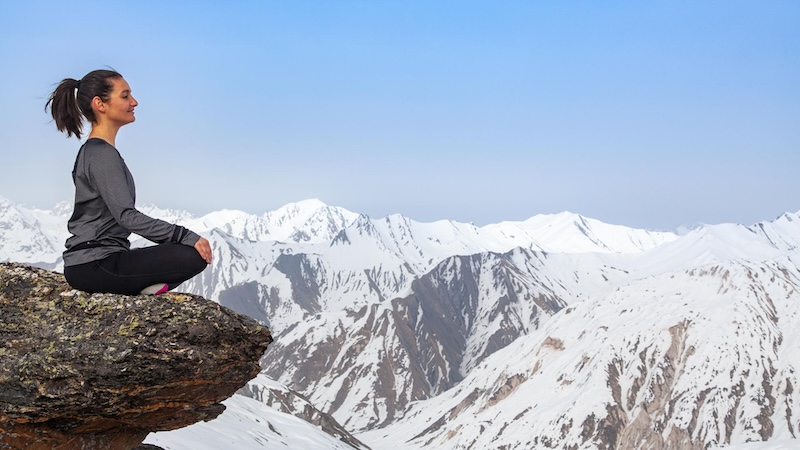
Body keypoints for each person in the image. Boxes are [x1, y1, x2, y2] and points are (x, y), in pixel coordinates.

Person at [46, 69, 212, 295]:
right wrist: (184, 235)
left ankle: (141, 287)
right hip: (95, 265)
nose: (134, 102)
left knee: (188, 254)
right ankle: (139, 289)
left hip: (96, 262)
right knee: (192, 255)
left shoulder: (96, 152)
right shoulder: (101, 154)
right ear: (100, 104)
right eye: (125, 96)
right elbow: (127, 216)